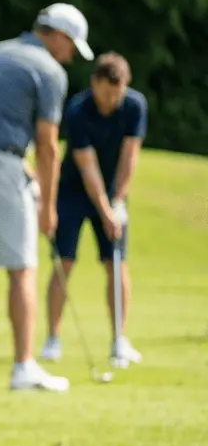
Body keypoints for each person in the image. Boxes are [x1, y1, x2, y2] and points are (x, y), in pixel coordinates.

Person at [0, 3, 93, 392]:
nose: (71, 55)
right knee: (22, 268)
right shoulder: (50, 71)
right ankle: (24, 366)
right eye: (71, 45)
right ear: (57, 36)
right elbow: (48, 145)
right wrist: (49, 206)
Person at [40, 52, 146, 365]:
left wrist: (117, 202)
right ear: (94, 83)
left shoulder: (135, 106)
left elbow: (130, 157)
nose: (113, 99)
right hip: (73, 192)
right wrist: (105, 210)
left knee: (116, 263)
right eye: (107, 91)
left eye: (119, 92)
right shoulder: (77, 110)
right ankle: (52, 339)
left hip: (114, 193)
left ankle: (119, 341)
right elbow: (88, 169)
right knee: (65, 262)